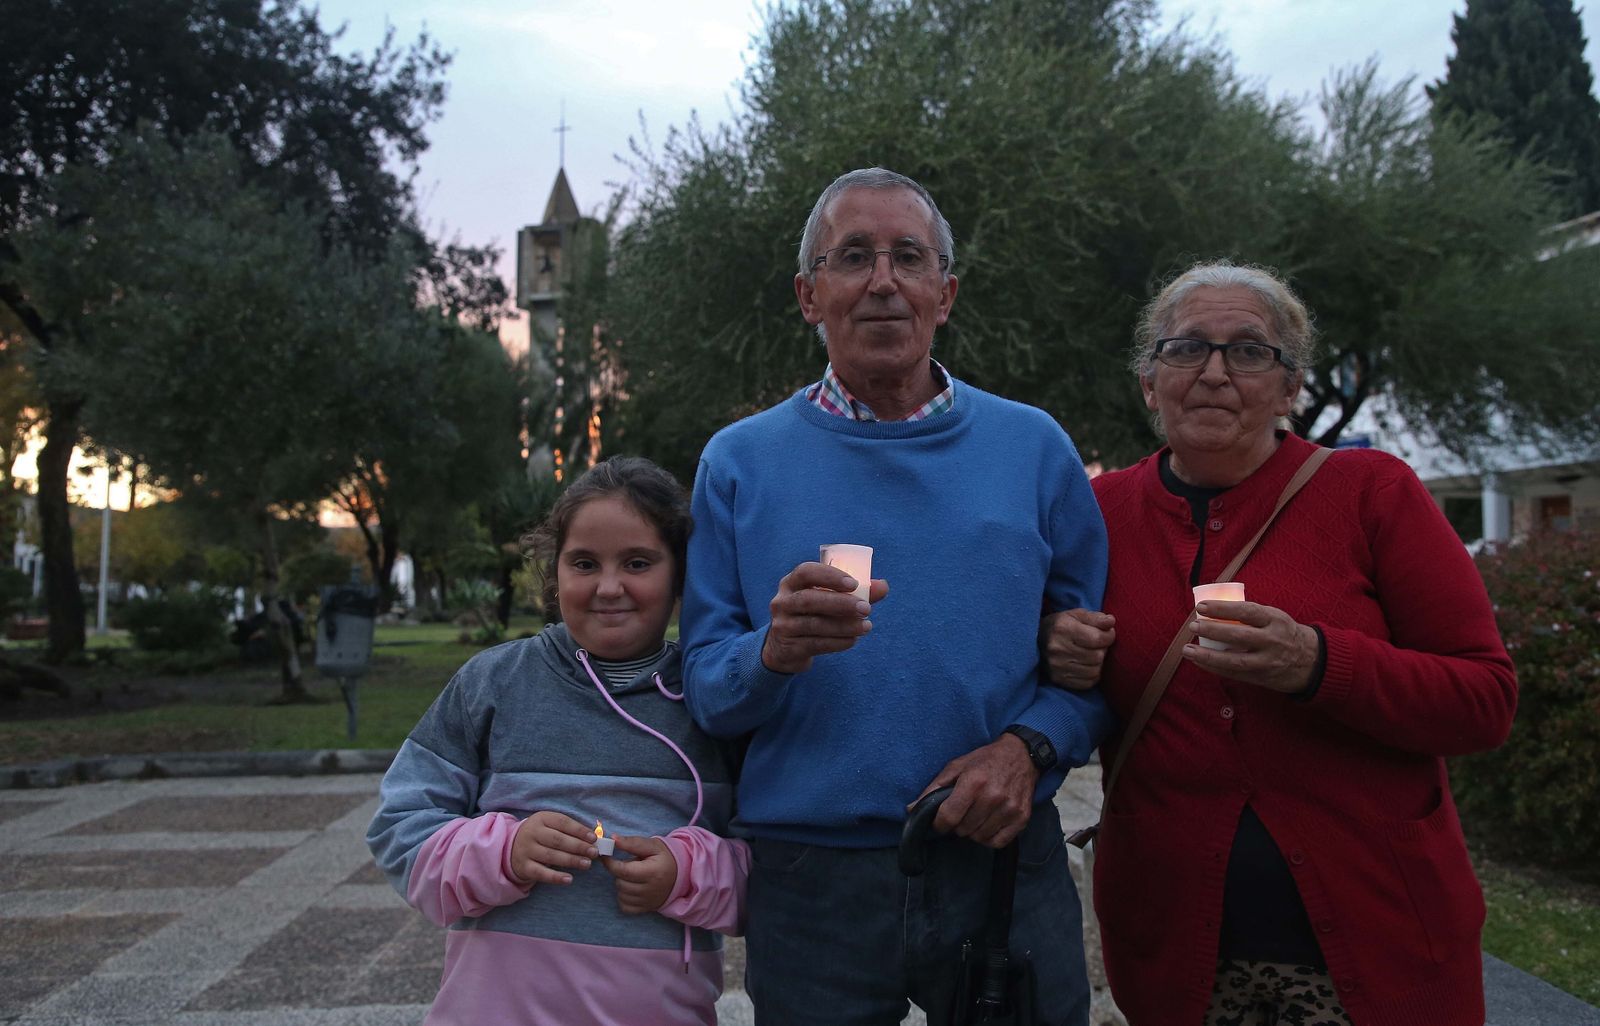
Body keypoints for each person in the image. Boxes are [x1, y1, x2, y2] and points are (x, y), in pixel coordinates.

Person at [681, 166, 1114, 1026]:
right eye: (853, 257)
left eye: (907, 257)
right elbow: (705, 685)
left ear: (943, 293)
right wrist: (771, 654)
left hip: (998, 860)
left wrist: (1027, 751)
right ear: (810, 295)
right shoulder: (737, 462)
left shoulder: (1033, 449)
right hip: (813, 880)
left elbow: (1094, 668)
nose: (882, 280)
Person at [1043, 261, 1518, 1026]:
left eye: (1251, 351)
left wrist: (1320, 664)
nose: (1216, 373)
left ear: (1291, 388)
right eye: (1186, 348)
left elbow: (1485, 701)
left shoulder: (1375, 494)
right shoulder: (1098, 512)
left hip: (1379, 939)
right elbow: (1055, 666)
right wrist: (1054, 644)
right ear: (1148, 382)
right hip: (1177, 952)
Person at [368, 456, 749, 1026]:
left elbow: (777, 873)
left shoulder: (715, 702)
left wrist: (687, 872)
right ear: (555, 575)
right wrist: (504, 852)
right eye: (584, 563)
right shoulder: (491, 683)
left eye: (639, 562)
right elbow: (399, 829)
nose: (609, 587)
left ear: (681, 577)